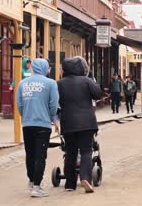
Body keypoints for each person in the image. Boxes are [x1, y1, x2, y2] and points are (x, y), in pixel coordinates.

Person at [16, 59, 59, 198]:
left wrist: (26, 115)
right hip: (43, 124)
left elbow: (19, 105)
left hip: (27, 124)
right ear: (45, 68)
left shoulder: (22, 83)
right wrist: (52, 117)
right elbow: (53, 104)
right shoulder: (50, 83)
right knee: (40, 156)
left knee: (30, 153)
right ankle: (36, 187)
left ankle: (32, 180)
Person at [58, 57, 101, 193]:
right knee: (86, 151)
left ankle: (70, 184)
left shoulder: (59, 83)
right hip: (87, 122)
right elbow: (97, 95)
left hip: (68, 122)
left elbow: (55, 101)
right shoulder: (86, 80)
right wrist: (92, 81)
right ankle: (85, 178)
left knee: (70, 152)